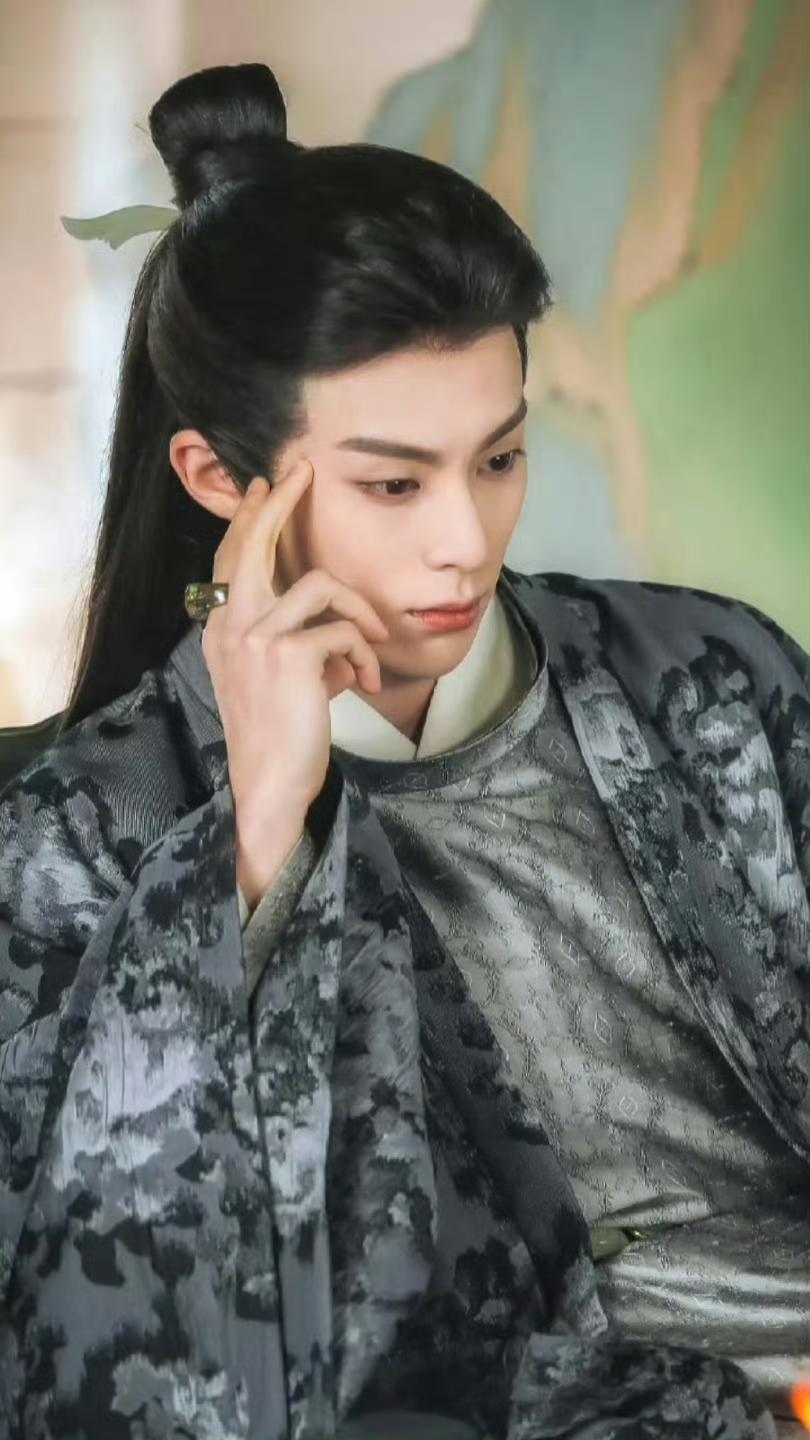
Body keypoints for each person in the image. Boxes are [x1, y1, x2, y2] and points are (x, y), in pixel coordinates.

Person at [1, 60, 807, 1440]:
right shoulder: (88, 833)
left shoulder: (709, 676)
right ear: (219, 479)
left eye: (498, 459)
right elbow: (101, 1343)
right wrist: (258, 839)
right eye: (392, 481)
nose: (463, 542)